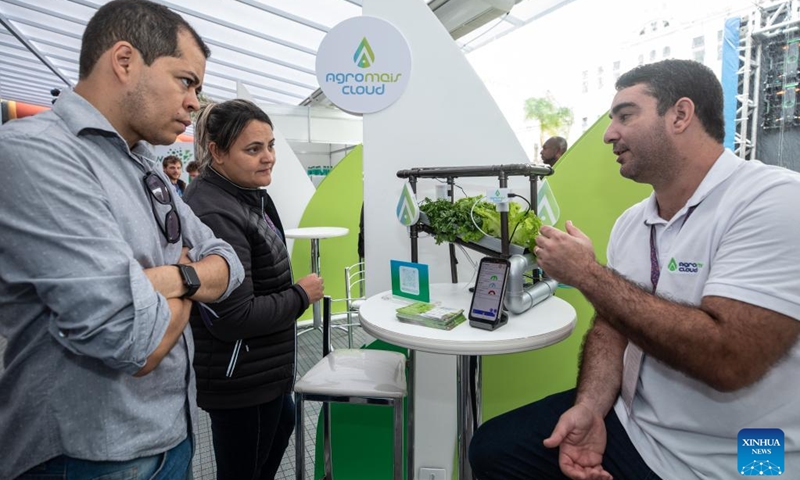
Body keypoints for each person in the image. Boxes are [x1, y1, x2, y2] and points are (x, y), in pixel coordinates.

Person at [469, 59, 800, 479]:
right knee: (492, 448)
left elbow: (729, 359)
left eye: (626, 116)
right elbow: (613, 326)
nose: (610, 134)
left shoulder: (774, 202)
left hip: (738, 457)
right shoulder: (632, 222)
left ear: (680, 115)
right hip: (636, 425)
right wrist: (590, 407)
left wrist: (587, 274)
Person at [0, 1, 245, 479]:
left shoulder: (142, 160)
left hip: (171, 435)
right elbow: (133, 339)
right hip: (87, 458)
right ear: (125, 61)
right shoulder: (37, 153)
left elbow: (229, 264)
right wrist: (194, 276)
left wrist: (170, 278)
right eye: (186, 81)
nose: (195, 102)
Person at [184, 99, 324, 480]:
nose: (269, 158)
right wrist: (300, 296)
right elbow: (233, 318)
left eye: (271, 145)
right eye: (253, 149)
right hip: (240, 378)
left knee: (280, 428)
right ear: (217, 152)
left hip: (262, 370)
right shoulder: (216, 212)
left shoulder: (245, 195)